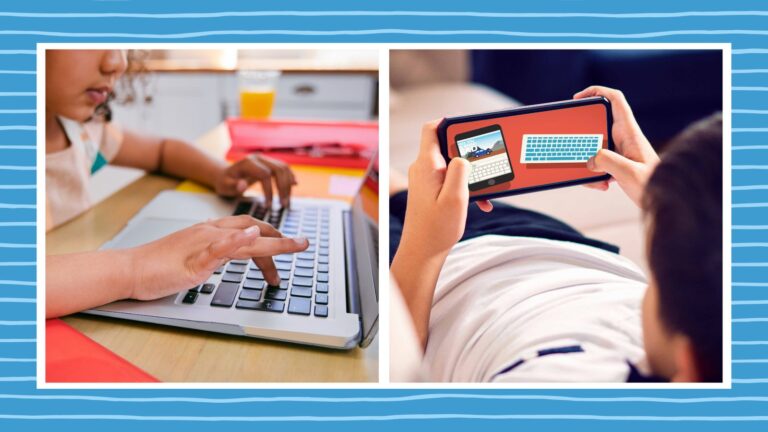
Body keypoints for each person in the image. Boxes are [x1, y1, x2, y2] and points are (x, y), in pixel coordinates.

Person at [390, 86, 722, 382]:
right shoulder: (707, 331)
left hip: (431, 277)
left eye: (660, 277)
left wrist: (426, 244)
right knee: (407, 187)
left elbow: (396, 367)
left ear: (687, 368)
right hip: (558, 244)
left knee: (371, 204)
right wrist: (660, 199)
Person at [45, 49, 308, 318]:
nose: (118, 62)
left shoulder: (83, 132)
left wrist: (221, 174)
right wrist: (137, 267)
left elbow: (162, 151)